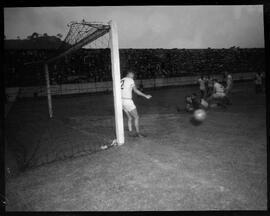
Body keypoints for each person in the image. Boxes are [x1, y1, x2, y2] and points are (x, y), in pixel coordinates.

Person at [121, 71, 152, 137]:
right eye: (132, 76)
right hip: (127, 101)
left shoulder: (121, 80)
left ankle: (130, 131)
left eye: (133, 76)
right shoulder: (130, 80)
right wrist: (145, 95)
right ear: (128, 75)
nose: (132, 77)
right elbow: (135, 91)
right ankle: (138, 133)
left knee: (129, 117)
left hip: (120, 101)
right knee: (136, 117)